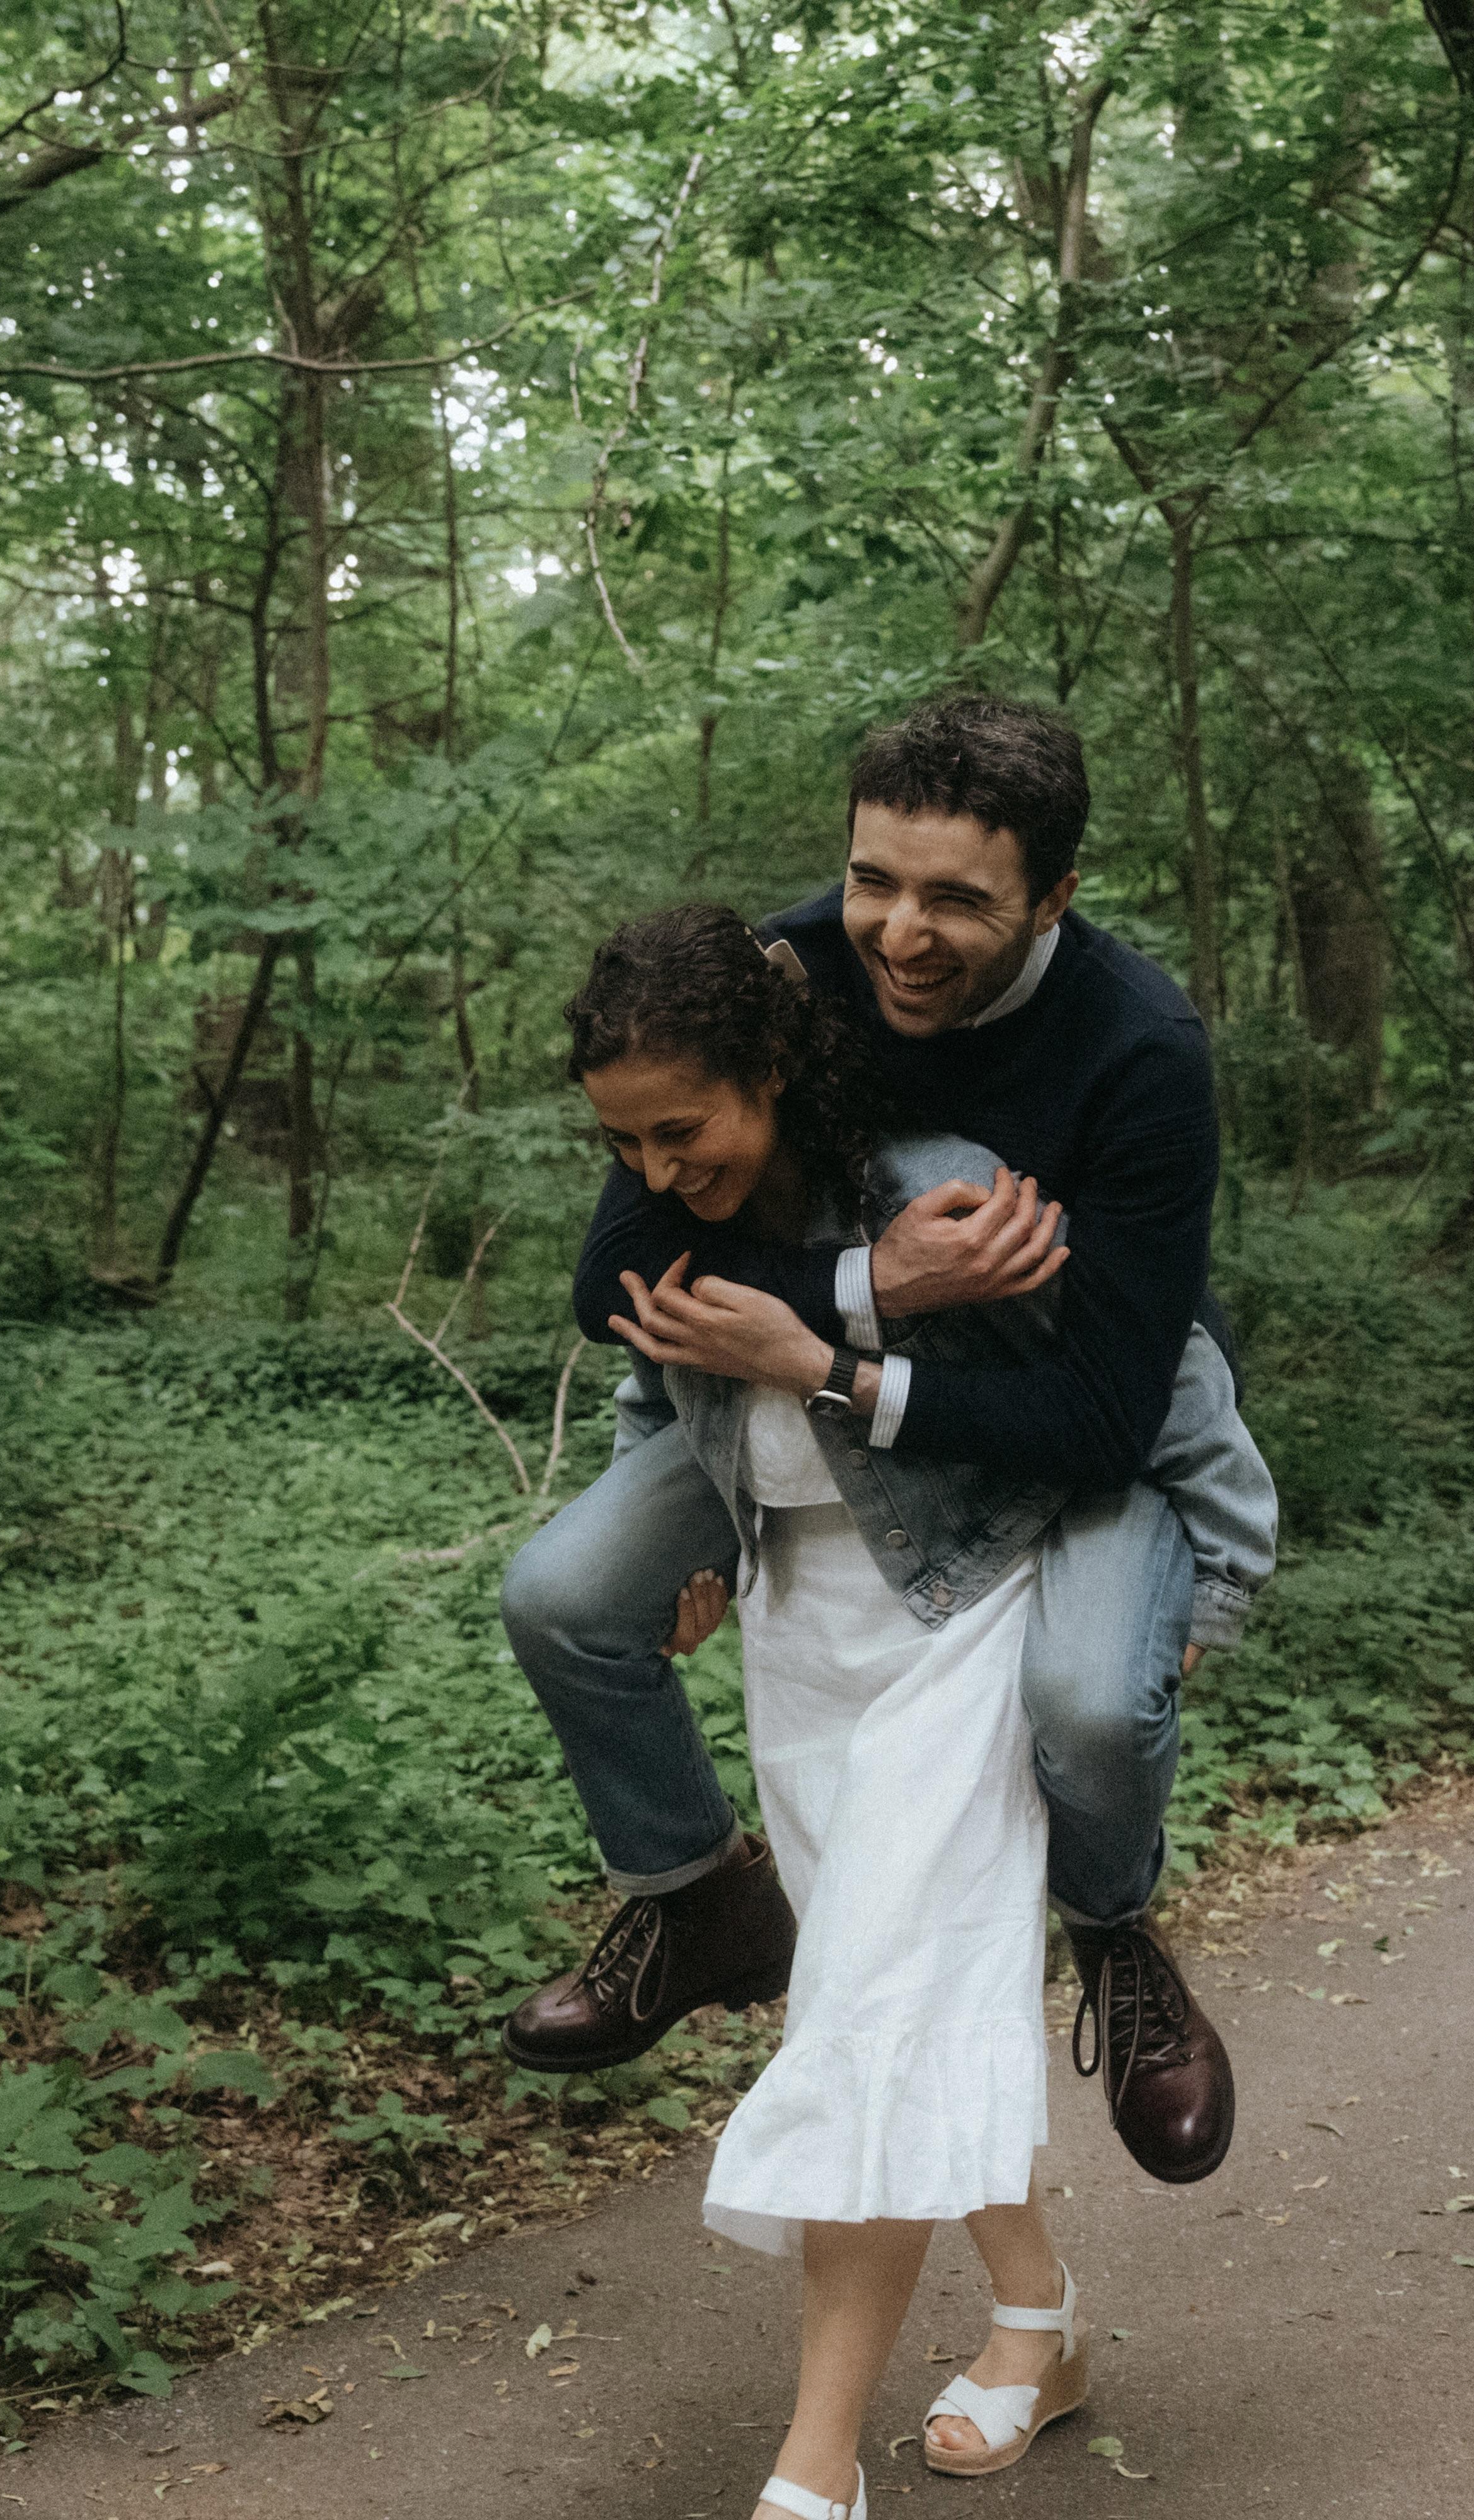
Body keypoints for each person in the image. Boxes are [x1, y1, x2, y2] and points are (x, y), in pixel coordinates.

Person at [550, 903, 1276, 2519]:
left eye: (679, 1129)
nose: (652, 1168)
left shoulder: (946, 1188)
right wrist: (677, 1545)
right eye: (623, 1143)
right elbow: (652, 1376)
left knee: (873, 2010)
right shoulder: (682, 1214)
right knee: (899, 2002)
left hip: (965, 1612)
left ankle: (812, 2469)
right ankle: (1037, 2314)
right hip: (804, 1640)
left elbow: (1157, 1384)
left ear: (766, 1070)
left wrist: (1209, 1590)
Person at [502, 694, 1267, 2187]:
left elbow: (1120, 1407)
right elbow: (617, 1281)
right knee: (560, 1595)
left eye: (954, 900)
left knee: (1092, 1705)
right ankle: (698, 1898)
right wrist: (867, 1294)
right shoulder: (782, 979)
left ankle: (1112, 1929)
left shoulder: (1136, 1047)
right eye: (871, 879)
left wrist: (838, 1363)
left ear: (1052, 894)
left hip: (1068, 1420)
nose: (897, 936)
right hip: (812, 1396)